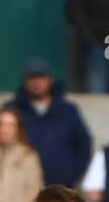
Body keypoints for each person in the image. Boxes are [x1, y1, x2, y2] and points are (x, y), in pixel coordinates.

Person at [9, 58, 92, 188]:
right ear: (25, 81)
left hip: (60, 188)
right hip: (20, 189)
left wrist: (70, 175)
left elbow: (83, 145)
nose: (37, 82)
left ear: (50, 80)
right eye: (32, 77)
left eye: (41, 77)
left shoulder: (68, 110)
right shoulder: (12, 109)